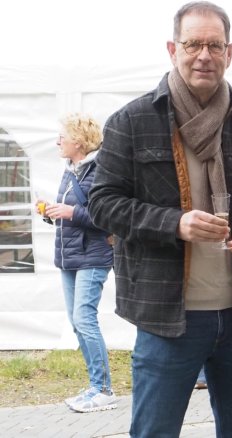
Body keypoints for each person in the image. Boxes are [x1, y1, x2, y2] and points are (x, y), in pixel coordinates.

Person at [87, 2, 232, 436]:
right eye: (193, 43)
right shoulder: (133, 120)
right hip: (168, 318)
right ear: (172, 49)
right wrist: (174, 224)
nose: (204, 55)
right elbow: (103, 202)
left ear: (229, 52)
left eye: (214, 45)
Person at [36, 113, 116, 413]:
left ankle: (104, 390)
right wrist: (50, 212)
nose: (58, 141)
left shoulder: (98, 171)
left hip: (92, 255)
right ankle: (96, 385)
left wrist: (70, 213)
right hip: (69, 255)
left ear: (79, 142)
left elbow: (107, 216)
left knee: (85, 320)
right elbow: (71, 212)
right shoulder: (71, 170)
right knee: (76, 324)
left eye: (63, 136)